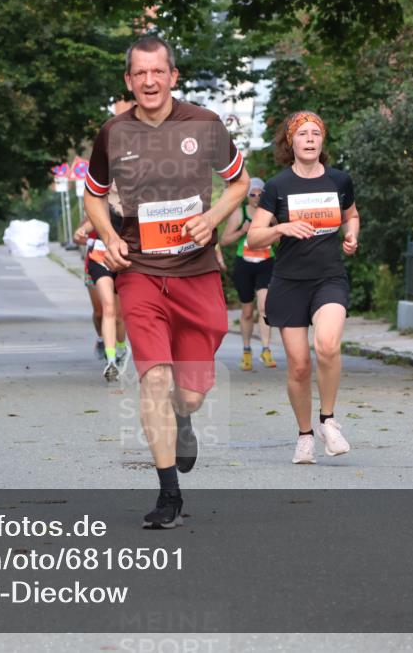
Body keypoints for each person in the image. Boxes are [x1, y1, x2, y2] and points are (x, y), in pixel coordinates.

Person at [84, 35, 249, 528]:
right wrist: (109, 236)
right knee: (153, 376)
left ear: (173, 76)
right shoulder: (112, 133)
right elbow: (92, 195)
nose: (150, 81)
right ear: (128, 80)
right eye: (140, 74)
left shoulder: (206, 123)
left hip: (197, 273)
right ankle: (168, 496)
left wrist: (214, 215)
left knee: (190, 392)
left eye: (159, 72)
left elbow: (239, 181)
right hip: (140, 272)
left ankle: (184, 417)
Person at [246, 111, 360, 464]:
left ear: (322, 141)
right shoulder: (278, 187)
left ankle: (328, 420)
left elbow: (351, 215)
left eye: (316, 133)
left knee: (326, 345)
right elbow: (254, 235)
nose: (309, 139)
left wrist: (352, 233)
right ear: (290, 142)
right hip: (289, 282)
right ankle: (305, 435)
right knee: (298, 366)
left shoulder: (339, 181)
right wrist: (282, 228)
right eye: (302, 134)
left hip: (329, 278)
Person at [220, 176, 277, 371]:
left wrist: (271, 233)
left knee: (264, 307)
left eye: (259, 194)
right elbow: (224, 240)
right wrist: (241, 231)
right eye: (252, 194)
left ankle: (266, 349)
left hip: (266, 262)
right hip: (244, 264)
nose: (256, 197)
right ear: (247, 196)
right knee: (246, 312)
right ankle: (246, 351)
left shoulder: (269, 214)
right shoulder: (240, 213)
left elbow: (280, 237)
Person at [74, 183, 129, 382]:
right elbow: (85, 229)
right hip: (99, 258)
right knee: (105, 309)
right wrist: (82, 233)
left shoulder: (137, 202)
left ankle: (122, 348)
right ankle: (111, 360)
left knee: (120, 316)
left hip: (124, 260)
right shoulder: (101, 204)